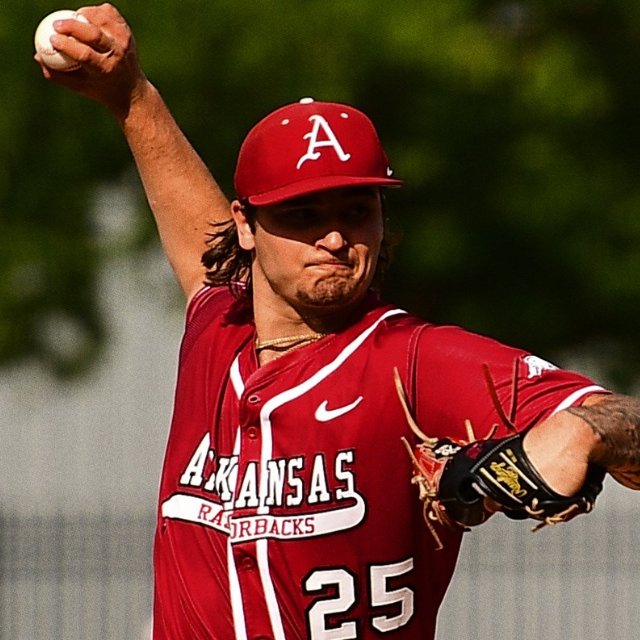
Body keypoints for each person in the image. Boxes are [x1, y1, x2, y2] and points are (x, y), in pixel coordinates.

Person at [37, 5, 640, 639]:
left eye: (357, 210)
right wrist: (130, 94)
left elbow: (624, 420)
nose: (333, 236)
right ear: (245, 225)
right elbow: (196, 235)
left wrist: (582, 430)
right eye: (301, 214)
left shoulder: (413, 361)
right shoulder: (220, 325)